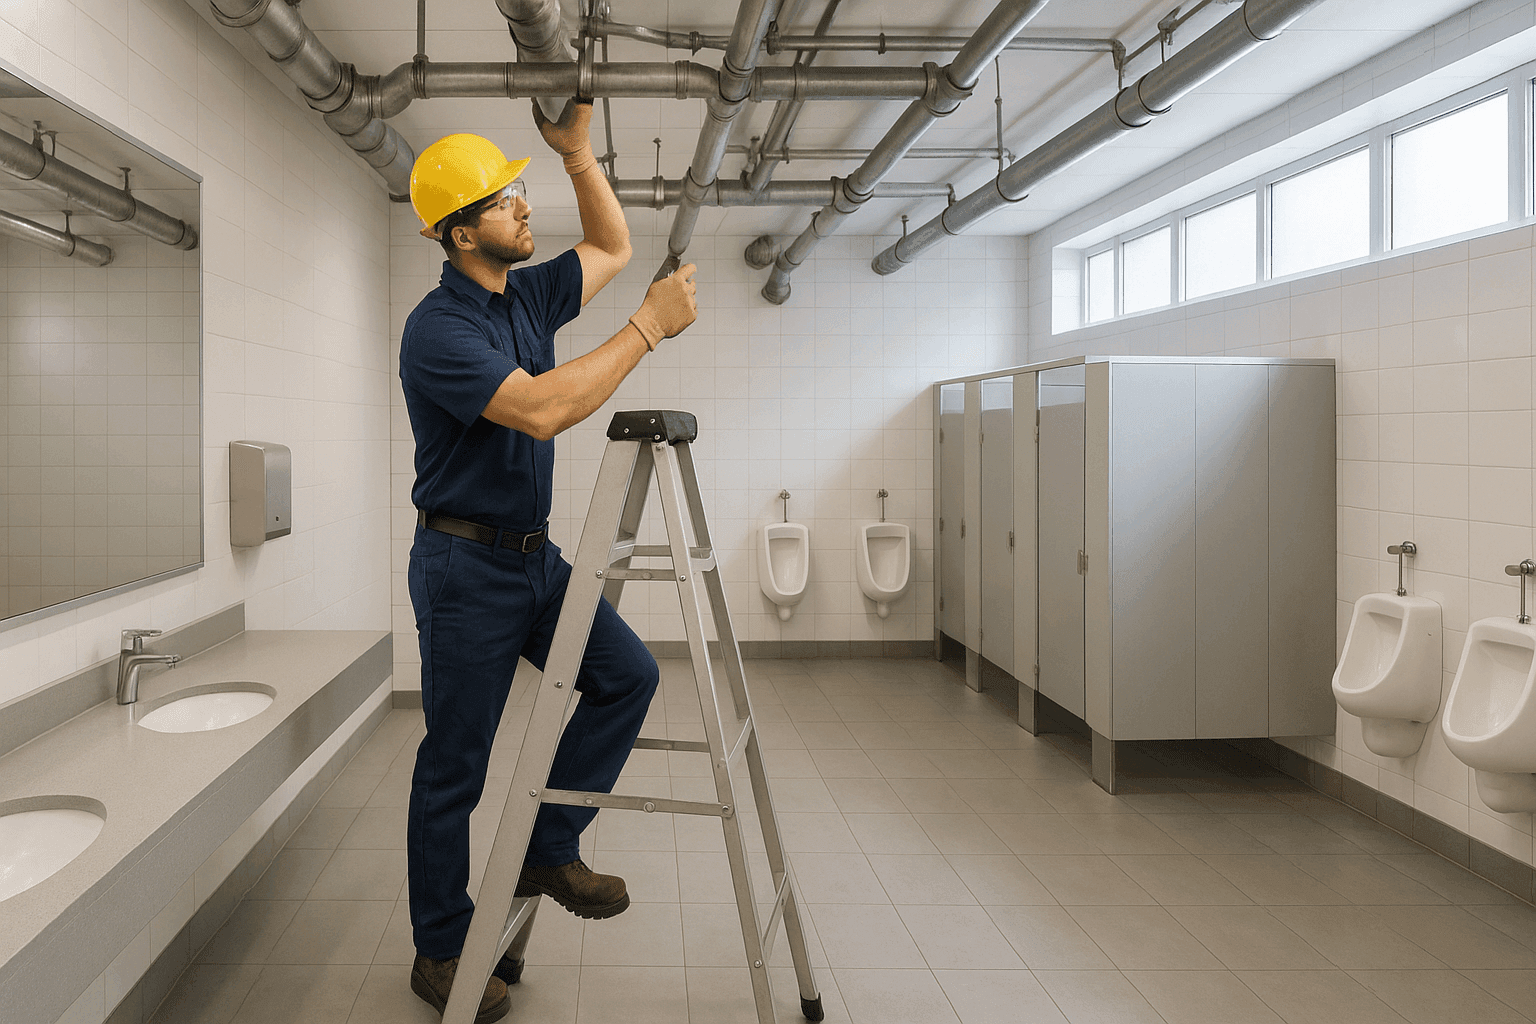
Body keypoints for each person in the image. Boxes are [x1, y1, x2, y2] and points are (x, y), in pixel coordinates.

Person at [399, 99, 698, 1023]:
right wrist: (647, 330)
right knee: (457, 763)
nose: (521, 209)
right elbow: (540, 410)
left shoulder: (523, 295)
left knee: (626, 675)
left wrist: (576, 155)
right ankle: (441, 951)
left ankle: (547, 841)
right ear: (459, 234)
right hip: (464, 571)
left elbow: (609, 248)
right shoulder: (437, 331)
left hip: (535, 563)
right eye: (502, 201)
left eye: (519, 191)